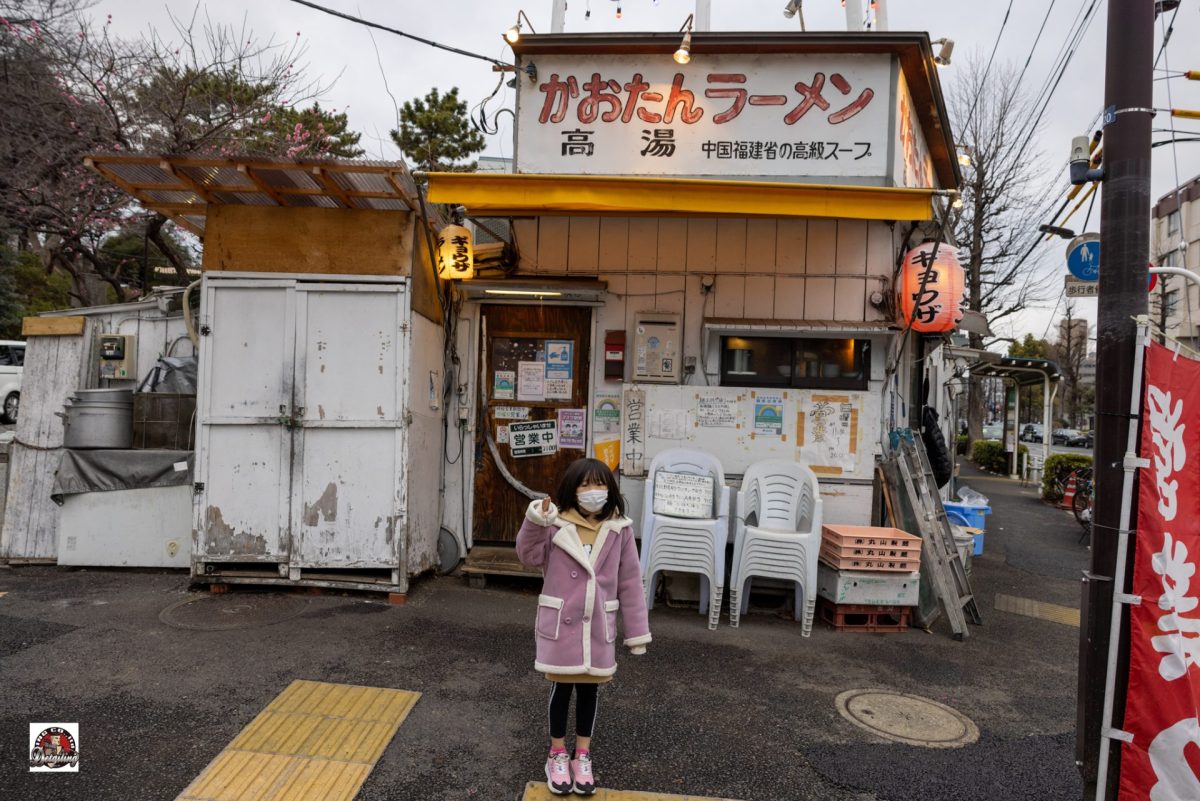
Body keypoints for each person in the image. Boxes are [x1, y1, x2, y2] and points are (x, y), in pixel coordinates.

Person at [516, 457, 651, 796]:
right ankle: (557, 753)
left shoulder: (620, 529)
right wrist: (535, 520)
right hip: (562, 625)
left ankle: (583, 755)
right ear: (572, 490)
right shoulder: (555, 524)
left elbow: (630, 583)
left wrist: (637, 632)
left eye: (600, 484)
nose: (593, 491)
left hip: (597, 627)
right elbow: (528, 556)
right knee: (561, 688)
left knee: (590, 691)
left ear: (610, 490)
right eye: (585, 484)